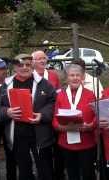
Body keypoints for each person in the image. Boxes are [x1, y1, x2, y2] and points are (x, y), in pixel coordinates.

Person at [0, 53, 56, 180]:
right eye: (20, 65)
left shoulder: (45, 84)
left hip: (39, 134)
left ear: (32, 66)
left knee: (44, 169)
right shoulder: (6, 86)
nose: (24, 67)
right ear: (14, 68)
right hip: (17, 135)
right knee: (24, 170)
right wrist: (7, 112)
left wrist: (42, 115)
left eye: (27, 64)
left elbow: (53, 103)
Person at [52, 63, 96, 180]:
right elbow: (55, 119)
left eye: (78, 75)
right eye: (72, 75)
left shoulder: (90, 95)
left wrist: (90, 126)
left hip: (86, 142)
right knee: (72, 174)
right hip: (66, 143)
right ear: (67, 78)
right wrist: (63, 128)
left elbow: (97, 116)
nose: (75, 78)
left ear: (82, 78)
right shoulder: (60, 95)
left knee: (88, 174)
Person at [32, 50, 64, 180]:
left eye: (44, 58)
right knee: (42, 154)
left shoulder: (53, 75)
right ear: (33, 62)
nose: (42, 61)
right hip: (38, 122)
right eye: (38, 58)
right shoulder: (30, 77)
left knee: (57, 150)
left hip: (53, 117)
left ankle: (58, 174)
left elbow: (58, 96)